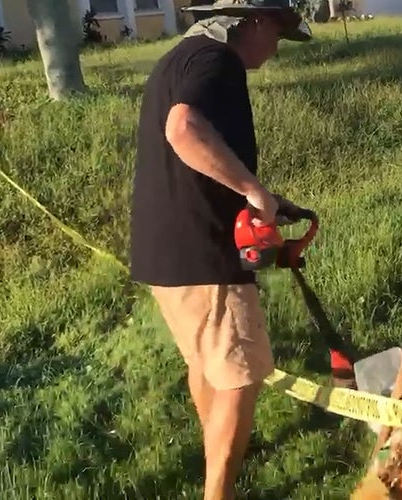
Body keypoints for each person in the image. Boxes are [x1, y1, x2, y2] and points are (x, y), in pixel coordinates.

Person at [129, 1, 312, 499]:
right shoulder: (218, 61)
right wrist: (254, 193)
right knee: (240, 376)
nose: (276, 47)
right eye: (277, 32)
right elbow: (183, 129)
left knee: (207, 364)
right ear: (251, 19)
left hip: (163, 249)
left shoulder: (179, 57)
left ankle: (220, 453)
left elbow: (200, 152)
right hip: (205, 250)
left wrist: (265, 197)